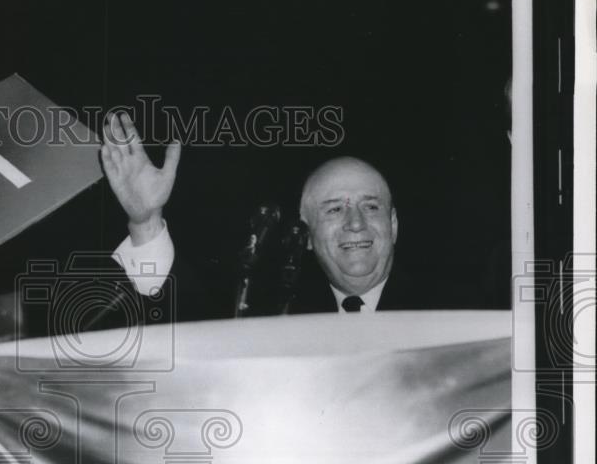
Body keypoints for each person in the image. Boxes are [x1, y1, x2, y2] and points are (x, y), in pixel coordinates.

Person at [100, 112, 470, 315]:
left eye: (371, 207)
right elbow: (196, 327)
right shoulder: (279, 310)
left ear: (393, 225)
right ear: (305, 236)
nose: (355, 223)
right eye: (334, 209)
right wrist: (146, 221)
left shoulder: (457, 310)